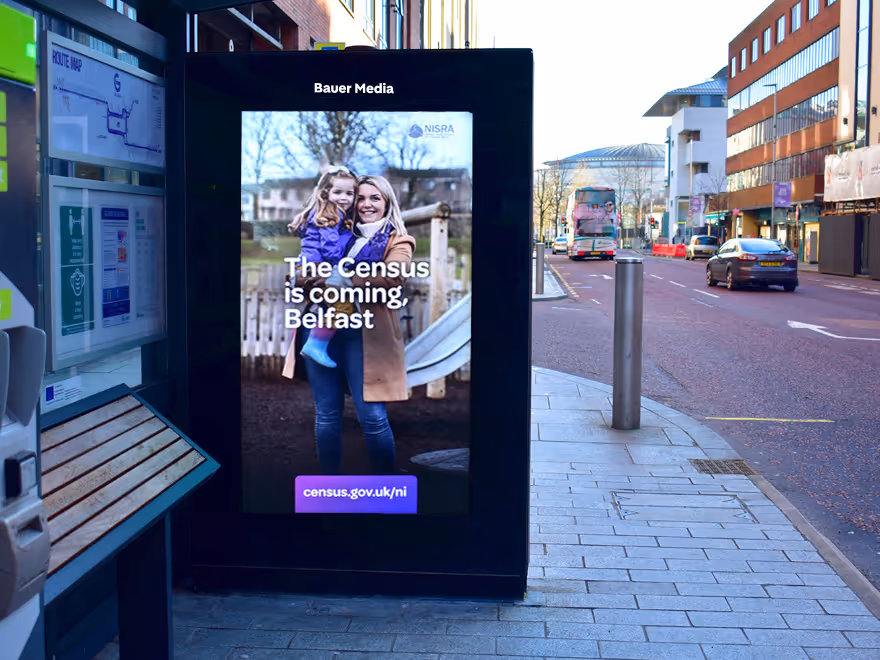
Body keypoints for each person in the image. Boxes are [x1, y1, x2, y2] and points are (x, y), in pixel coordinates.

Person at [282, 175, 416, 475]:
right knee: (327, 415)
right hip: (320, 330)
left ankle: (386, 482)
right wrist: (311, 275)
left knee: (372, 417)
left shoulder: (399, 240)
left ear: (387, 203)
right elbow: (299, 275)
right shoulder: (335, 230)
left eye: (375, 198)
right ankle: (329, 485)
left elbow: (391, 277)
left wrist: (339, 277)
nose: (366, 204)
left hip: (364, 335)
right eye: (361, 197)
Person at [287, 165, 357, 369]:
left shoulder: (323, 211)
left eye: (349, 193)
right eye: (338, 192)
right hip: (318, 267)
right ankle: (316, 345)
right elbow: (330, 247)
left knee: (318, 304)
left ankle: (301, 335)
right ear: (326, 193)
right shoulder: (331, 212)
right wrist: (339, 267)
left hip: (307, 266)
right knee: (343, 308)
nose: (344, 197)